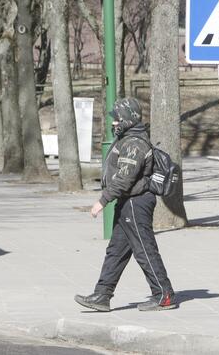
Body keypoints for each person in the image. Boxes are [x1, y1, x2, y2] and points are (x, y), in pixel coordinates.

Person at [74, 97, 177, 312]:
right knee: (116, 251)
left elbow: (125, 178)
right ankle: (102, 295)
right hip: (128, 202)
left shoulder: (134, 143)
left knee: (144, 249)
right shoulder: (128, 138)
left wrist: (102, 201)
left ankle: (163, 295)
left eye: (117, 119)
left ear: (128, 119)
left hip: (135, 203)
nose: (113, 123)